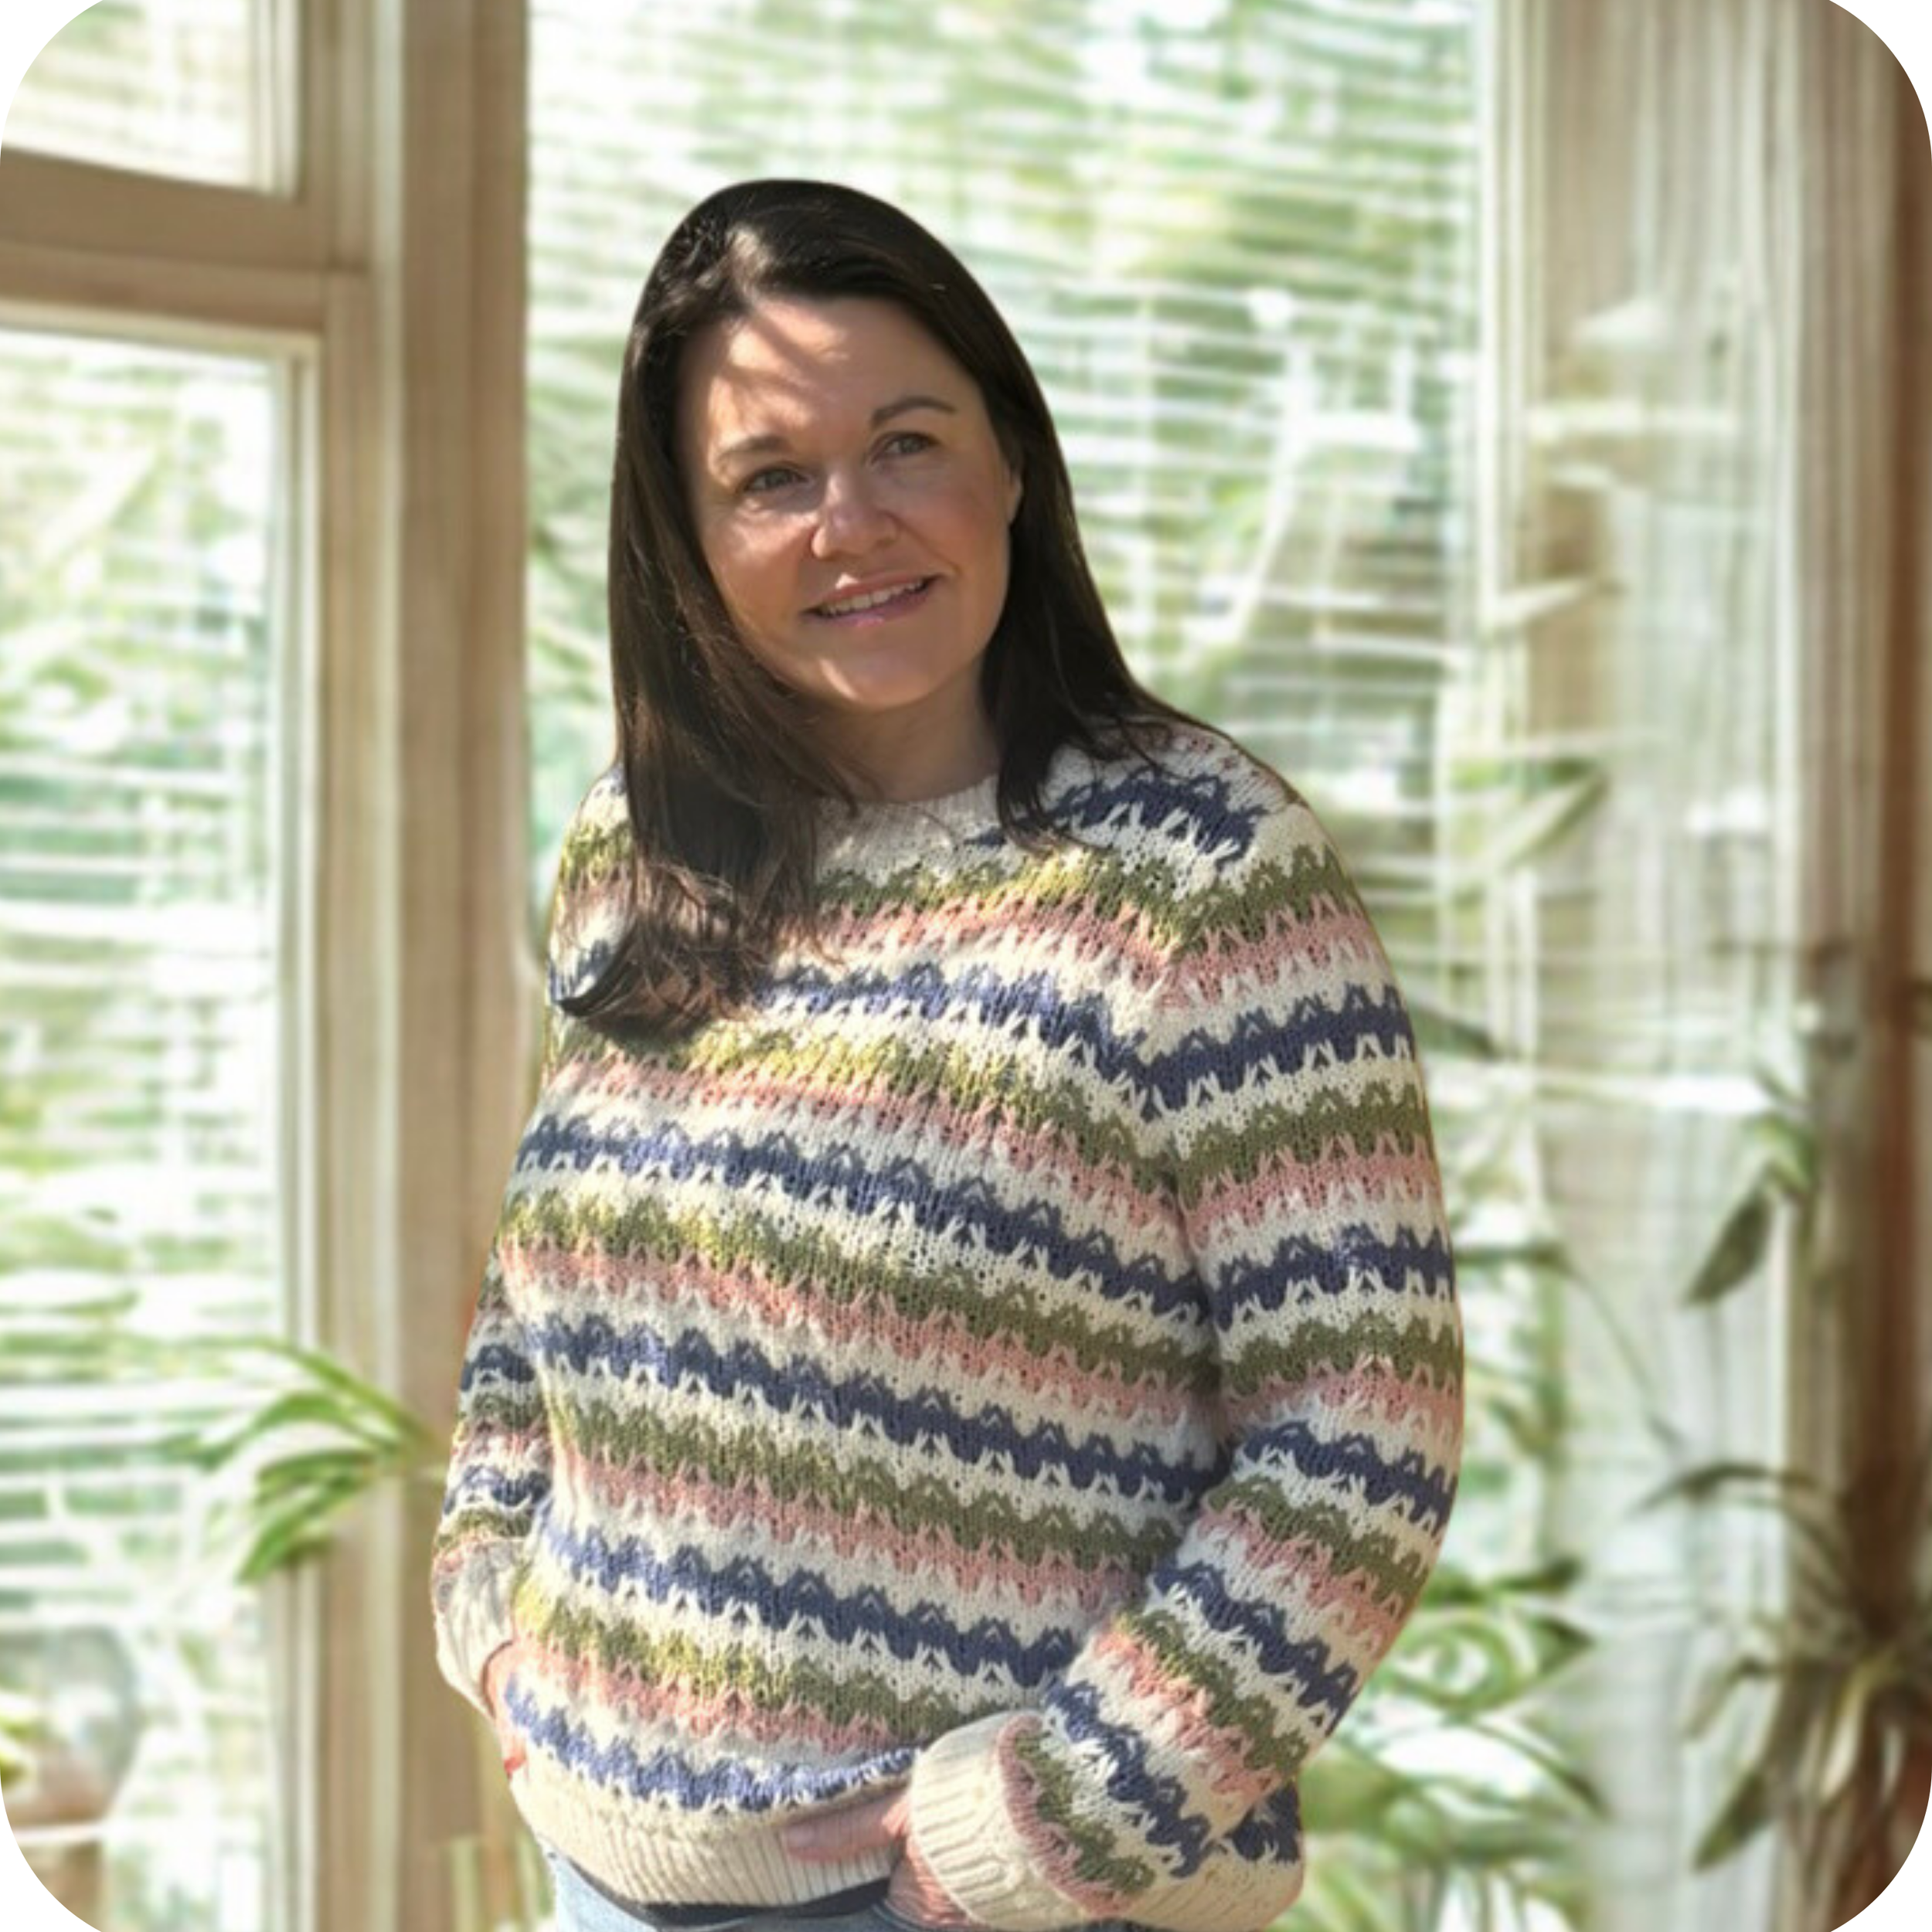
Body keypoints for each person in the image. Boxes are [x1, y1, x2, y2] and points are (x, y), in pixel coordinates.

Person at [428, 177, 1464, 1932]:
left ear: (1010, 470)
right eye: (770, 475)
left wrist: (1056, 1813)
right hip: (607, 1863)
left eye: (907, 442)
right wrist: (492, 1615)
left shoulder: (1200, 873)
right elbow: (543, 1297)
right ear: (685, 535)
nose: (852, 520)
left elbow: (1359, 1418)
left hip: (1003, 1890)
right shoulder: (642, 844)